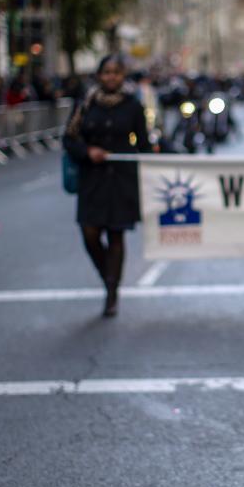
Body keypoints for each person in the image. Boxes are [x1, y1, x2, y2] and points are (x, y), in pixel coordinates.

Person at [62, 54, 150, 317]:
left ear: (123, 76)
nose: (111, 77)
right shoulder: (85, 104)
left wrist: (170, 159)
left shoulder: (133, 105)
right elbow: (68, 139)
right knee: (89, 233)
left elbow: (143, 143)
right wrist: (87, 151)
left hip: (121, 179)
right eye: (107, 72)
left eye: (116, 72)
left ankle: (112, 291)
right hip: (93, 178)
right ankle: (107, 277)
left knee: (116, 235)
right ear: (99, 75)